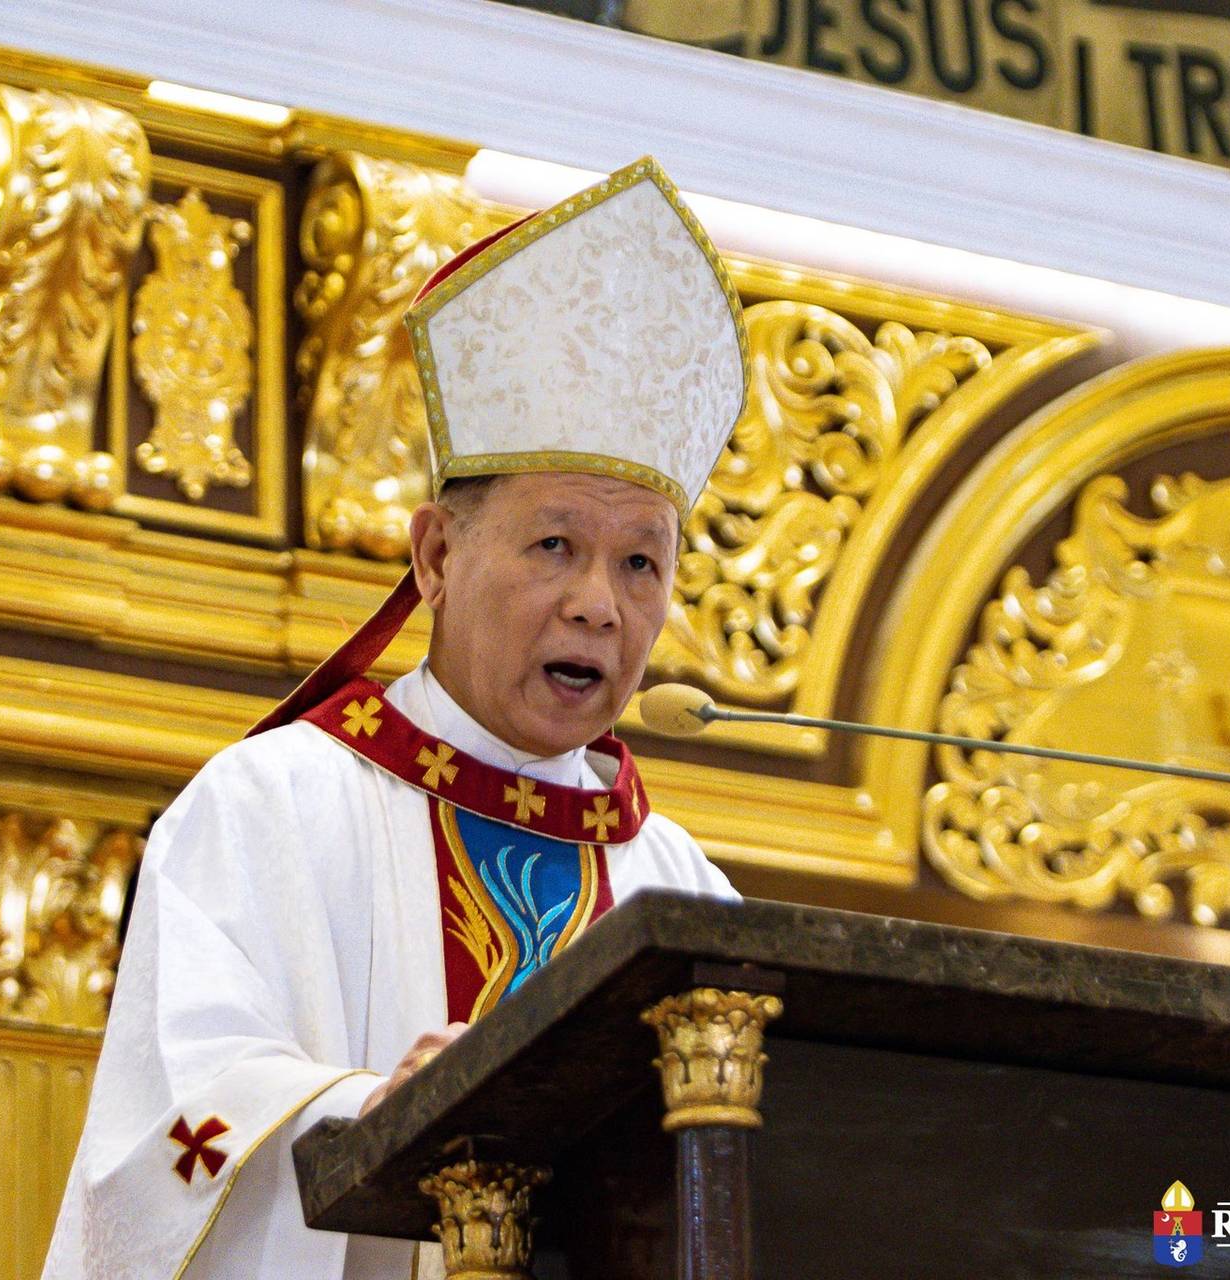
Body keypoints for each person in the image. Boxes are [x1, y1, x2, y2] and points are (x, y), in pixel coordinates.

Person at [41, 156, 748, 1280]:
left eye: (640, 562)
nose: (598, 603)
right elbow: (169, 1129)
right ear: (436, 555)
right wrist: (384, 1117)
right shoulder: (272, 802)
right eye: (555, 544)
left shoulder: (689, 896)